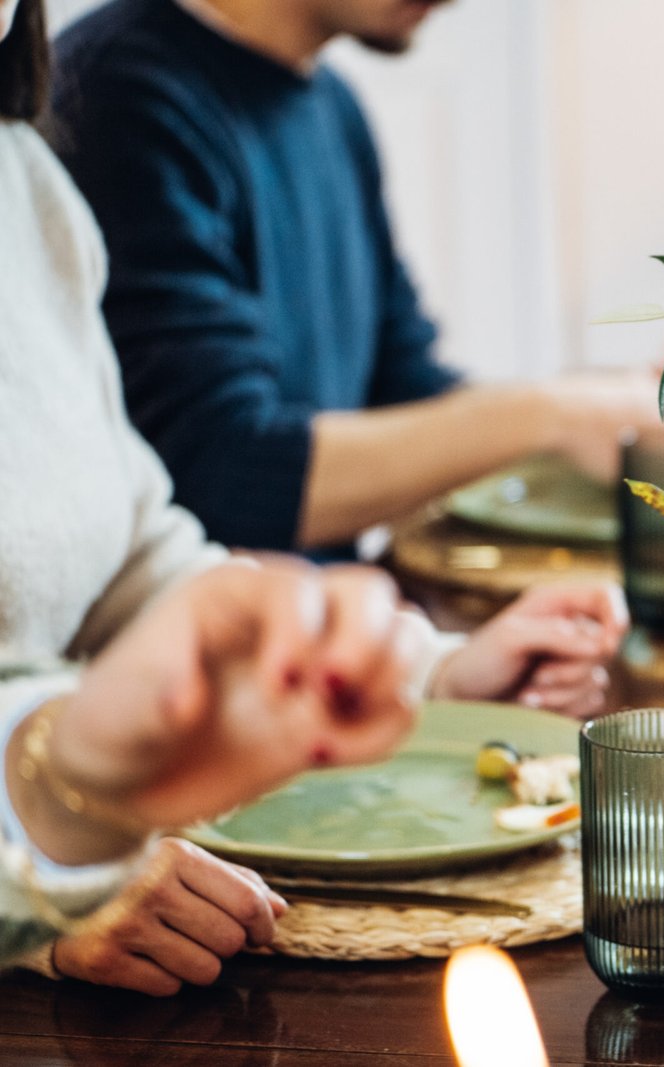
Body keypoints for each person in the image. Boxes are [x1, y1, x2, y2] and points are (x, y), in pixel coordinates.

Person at [0, 0, 625, 990]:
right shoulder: (118, 92)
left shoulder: (24, 174)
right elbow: (231, 468)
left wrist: (426, 674)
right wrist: (40, 870)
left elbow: (138, 551)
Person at [47, 0, 664, 559]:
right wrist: (551, 415)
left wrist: (614, 409)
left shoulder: (334, 107)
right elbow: (223, 475)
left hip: (342, 621)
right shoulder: (116, 95)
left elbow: (406, 392)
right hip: (222, 638)